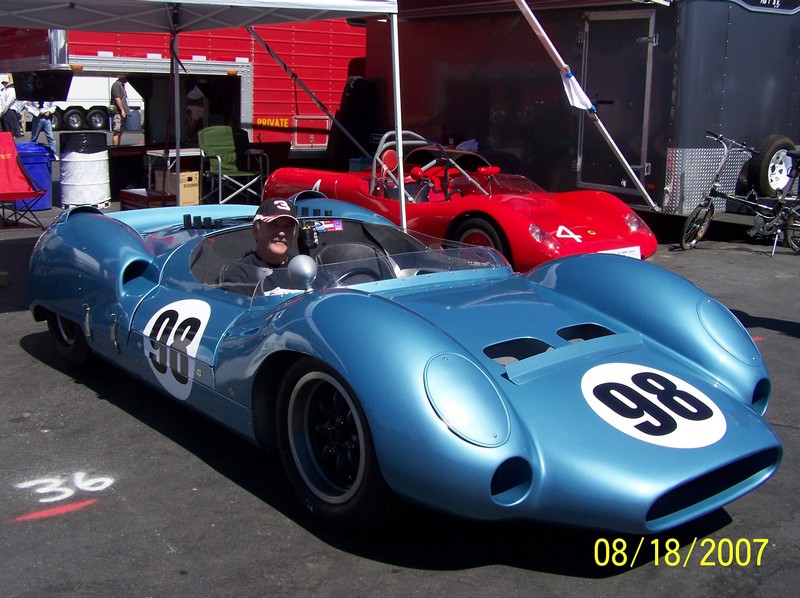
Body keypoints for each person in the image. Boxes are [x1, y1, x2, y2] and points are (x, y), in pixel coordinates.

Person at [219, 198, 299, 294]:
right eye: (273, 225)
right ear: (256, 231)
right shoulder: (241, 273)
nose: (281, 233)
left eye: (288, 226)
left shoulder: (306, 268)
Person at [110, 74, 129, 146]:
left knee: (120, 132)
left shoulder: (121, 85)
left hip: (121, 112)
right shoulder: (117, 85)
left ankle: (118, 146)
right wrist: (122, 110)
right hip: (118, 112)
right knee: (117, 131)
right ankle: (115, 148)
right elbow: (117, 98)